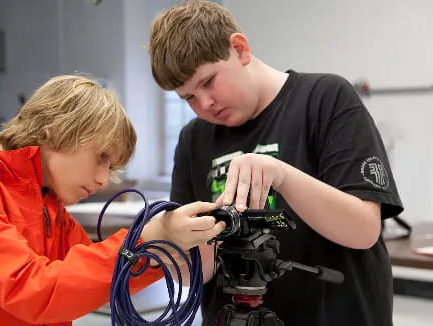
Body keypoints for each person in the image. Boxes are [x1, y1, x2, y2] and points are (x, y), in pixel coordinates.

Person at [148, 1, 403, 325]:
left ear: (239, 49)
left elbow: (364, 230)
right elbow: (199, 270)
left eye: (208, 82)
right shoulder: (193, 139)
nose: (205, 104)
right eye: (188, 98)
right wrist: (172, 239)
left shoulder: (325, 99)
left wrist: (281, 174)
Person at [0, 75, 225, 325]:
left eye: (112, 167)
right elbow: (32, 291)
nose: (104, 179)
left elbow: (94, 279)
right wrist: (146, 238)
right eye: (101, 157)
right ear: (56, 131)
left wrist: (166, 246)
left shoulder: (46, 202)